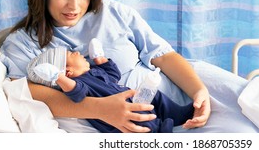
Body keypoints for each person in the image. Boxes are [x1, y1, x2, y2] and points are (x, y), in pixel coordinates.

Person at [0, 0, 259, 133]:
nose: (74, 6)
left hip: (172, 93)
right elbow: (31, 93)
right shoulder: (22, 43)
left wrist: (198, 90)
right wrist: (100, 109)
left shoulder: (112, 12)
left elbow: (162, 55)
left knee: (253, 123)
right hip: (132, 122)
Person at [26, 39, 194, 133]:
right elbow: (76, 93)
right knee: (137, 122)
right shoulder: (80, 83)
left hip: (129, 97)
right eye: (71, 55)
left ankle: (176, 113)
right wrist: (58, 78)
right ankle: (159, 131)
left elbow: (113, 75)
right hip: (114, 116)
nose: (77, 52)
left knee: (155, 96)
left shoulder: (92, 72)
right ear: (68, 72)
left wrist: (100, 58)